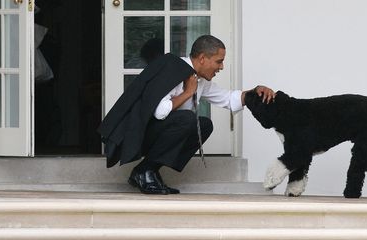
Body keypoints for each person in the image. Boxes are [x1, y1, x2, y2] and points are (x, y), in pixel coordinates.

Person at [98, 35, 275, 194]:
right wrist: (188, 92)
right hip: (135, 136)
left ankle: (146, 169)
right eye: (219, 61)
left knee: (205, 125)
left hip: (157, 133)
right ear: (203, 58)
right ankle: (145, 171)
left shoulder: (199, 78)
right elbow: (160, 112)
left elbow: (228, 99)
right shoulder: (172, 68)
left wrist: (255, 91)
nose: (221, 67)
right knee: (187, 119)